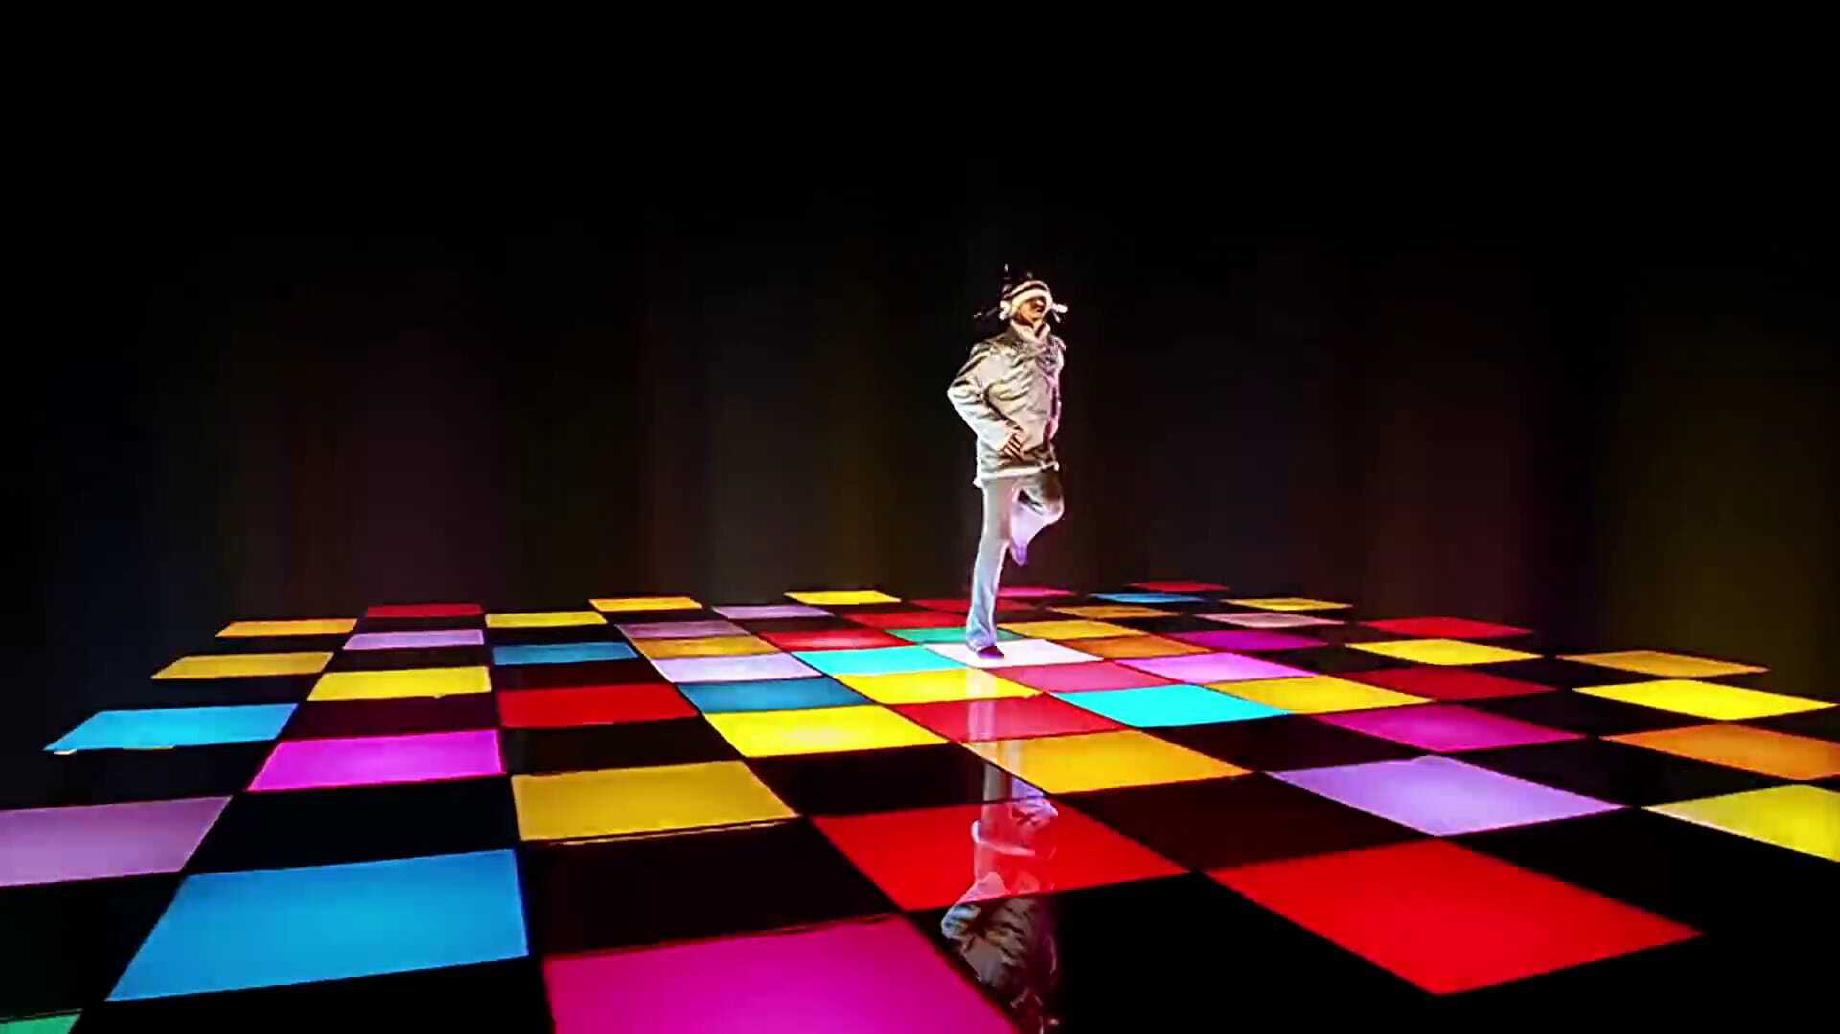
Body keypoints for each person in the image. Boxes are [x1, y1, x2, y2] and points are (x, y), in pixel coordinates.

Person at [947, 274, 1068, 655]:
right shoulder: (994, 351)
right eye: (1031, 298)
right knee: (994, 541)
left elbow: (1053, 395)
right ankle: (980, 634)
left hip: (1037, 455)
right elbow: (960, 391)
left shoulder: (1054, 348)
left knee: (1053, 506)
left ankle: (1021, 526)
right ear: (1012, 307)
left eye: (1043, 298)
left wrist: (1050, 430)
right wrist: (997, 431)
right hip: (1002, 457)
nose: (1038, 303)